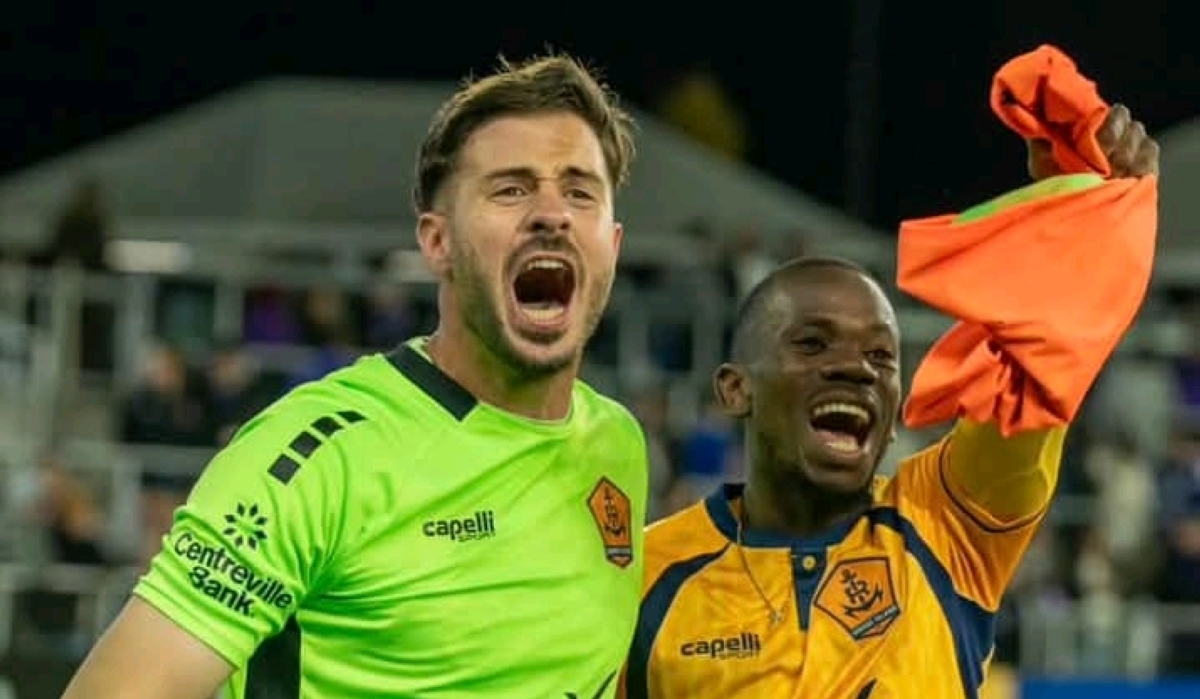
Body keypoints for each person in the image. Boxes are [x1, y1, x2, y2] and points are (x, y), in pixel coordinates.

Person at [63, 53, 648, 699]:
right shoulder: (316, 455)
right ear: (437, 241)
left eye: (579, 190)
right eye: (510, 188)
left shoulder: (618, 446)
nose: (551, 213)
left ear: (612, 246)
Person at [621, 105, 1158, 698]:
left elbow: (1038, 362)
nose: (854, 368)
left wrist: (1084, 217)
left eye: (881, 358)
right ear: (735, 388)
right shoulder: (644, 579)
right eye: (811, 343)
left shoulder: (946, 526)